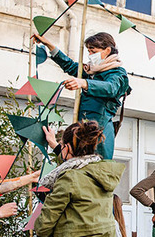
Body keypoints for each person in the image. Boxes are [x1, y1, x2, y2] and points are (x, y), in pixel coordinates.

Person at [34, 31, 130, 160]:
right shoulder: (91, 71)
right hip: (83, 129)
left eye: (93, 51)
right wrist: (49, 45)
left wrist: (84, 83)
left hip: (99, 131)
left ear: (107, 50)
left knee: (96, 165)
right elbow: (70, 66)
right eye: (88, 51)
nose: (90, 55)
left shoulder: (118, 73)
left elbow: (110, 88)